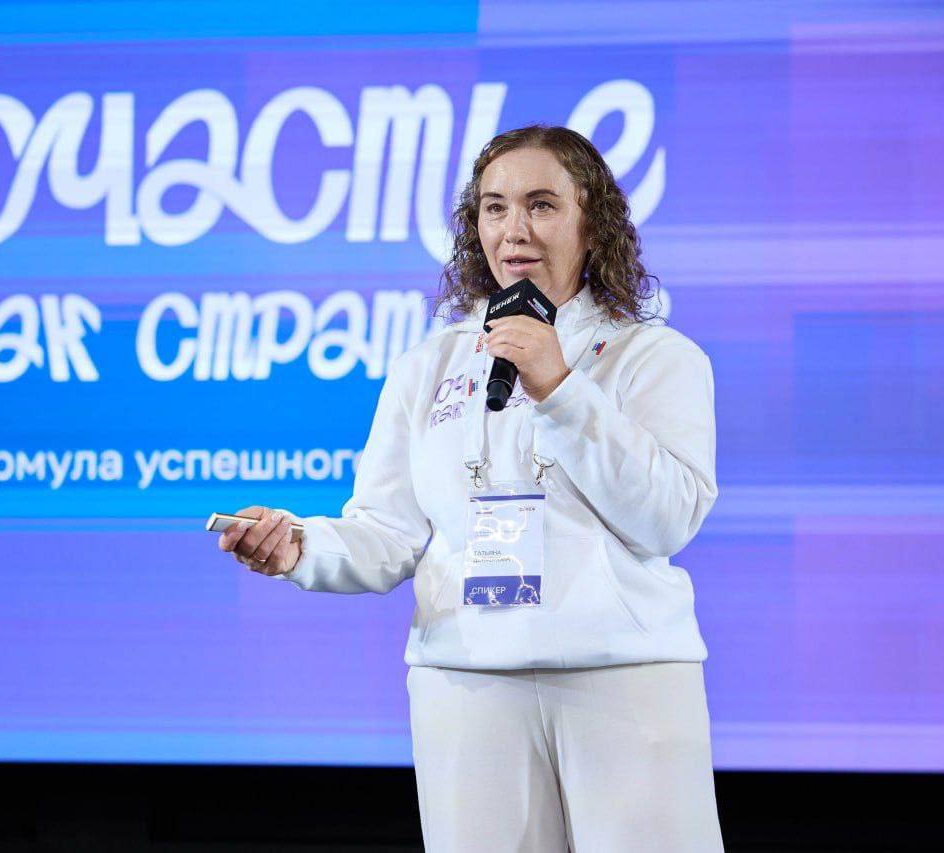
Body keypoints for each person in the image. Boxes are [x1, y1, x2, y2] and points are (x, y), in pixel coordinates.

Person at [217, 125, 723, 852]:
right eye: (494, 207)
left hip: (624, 675)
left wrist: (559, 387)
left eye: (542, 204)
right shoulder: (429, 364)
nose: (515, 229)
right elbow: (387, 532)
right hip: (465, 681)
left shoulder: (655, 356)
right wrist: (301, 547)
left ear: (593, 224)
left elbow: (668, 518)